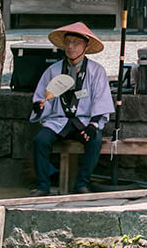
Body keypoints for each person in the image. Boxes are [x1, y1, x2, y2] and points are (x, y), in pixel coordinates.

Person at [30, 22, 115, 196]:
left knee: (95, 141)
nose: (70, 47)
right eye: (68, 42)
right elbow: (42, 97)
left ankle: (81, 183)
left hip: (83, 120)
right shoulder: (53, 70)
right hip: (58, 120)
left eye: (76, 43)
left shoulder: (96, 71)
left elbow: (101, 99)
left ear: (86, 45)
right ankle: (43, 186)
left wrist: (93, 124)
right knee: (40, 141)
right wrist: (39, 106)